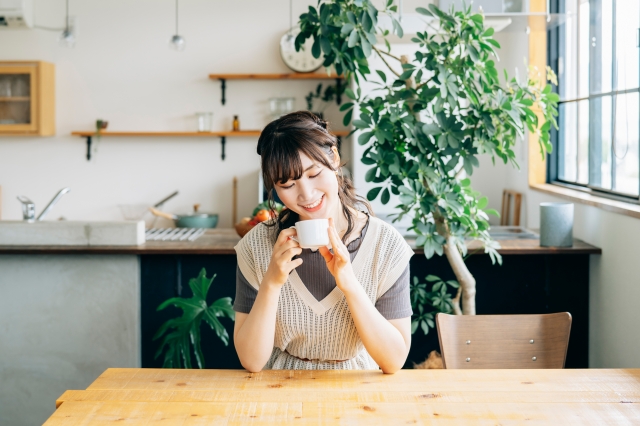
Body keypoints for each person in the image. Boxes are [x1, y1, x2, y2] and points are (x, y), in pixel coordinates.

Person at [233, 111, 414, 373]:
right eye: (287, 184)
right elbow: (252, 361)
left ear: (335, 159)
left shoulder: (385, 245)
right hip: (279, 389)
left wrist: (350, 284)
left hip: (360, 393)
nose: (306, 194)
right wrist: (271, 282)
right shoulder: (257, 246)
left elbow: (393, 361)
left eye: (313, 173)